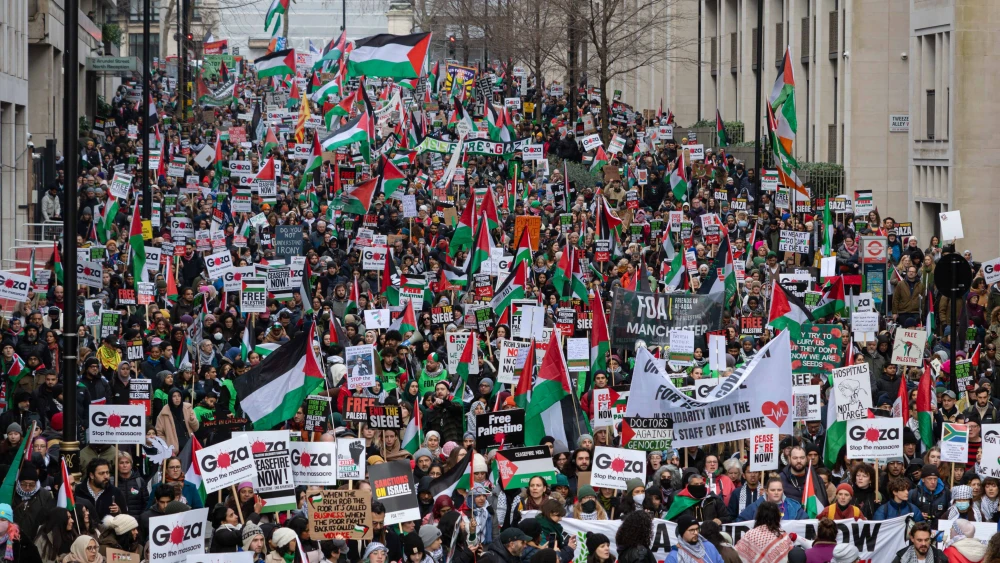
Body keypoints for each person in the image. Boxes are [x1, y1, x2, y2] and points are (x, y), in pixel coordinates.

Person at [737, 478, 806, 521]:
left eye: (779, 490)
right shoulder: (756, 506)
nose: (776, 493)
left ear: (783, 490)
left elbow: (806, 522)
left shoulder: (793, 506)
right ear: (766, 491)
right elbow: (740, 522)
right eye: (772, 490)